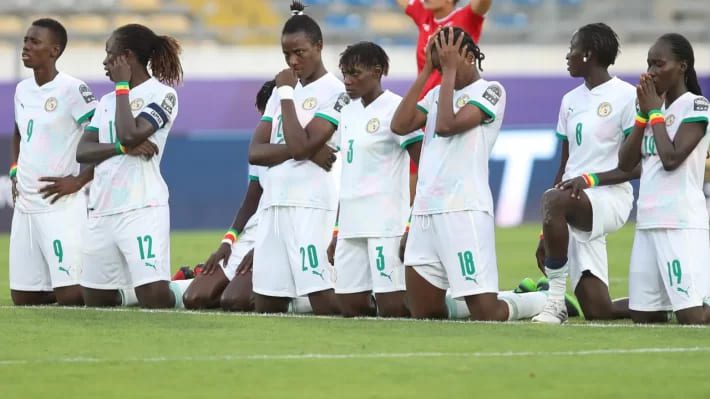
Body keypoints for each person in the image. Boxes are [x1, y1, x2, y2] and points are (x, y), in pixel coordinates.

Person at [391, 27, 547, 321]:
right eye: (439, 63)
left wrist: (447, 73)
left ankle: (543, 299)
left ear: (471, 56)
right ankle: (520, 296)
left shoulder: (491, 91)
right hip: (426, 212)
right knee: (423, 311)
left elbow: (446, 125)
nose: (443, 68)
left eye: (448, 61)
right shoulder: (437, 92)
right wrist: (426, 72)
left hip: (463, 210)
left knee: (486, 314)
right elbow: (399, 125)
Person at [532, 23, 637, 324]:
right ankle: (667, 302)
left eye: (572, 49)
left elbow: (637, 166)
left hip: (609, 196)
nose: (568, 56)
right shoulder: (570, 101)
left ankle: (555, 304)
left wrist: (588, 181)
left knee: (557, 200)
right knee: (598, 310)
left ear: (588, 54)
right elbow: (564, 167)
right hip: (572, 198)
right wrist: (546, 227)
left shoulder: (627, 96)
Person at [76, 24, 184, 309]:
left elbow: (129, 132)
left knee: (155, 299)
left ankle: (190, 284)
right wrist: (121, 149)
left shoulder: (162, 95)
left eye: (109, 55)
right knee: (96, 299)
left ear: (126, 57)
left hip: (142, 207)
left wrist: (123, 86)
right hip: (102, 208)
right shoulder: (106, 102)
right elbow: (83, 151)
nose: (104, 62)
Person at [248, 1, 343, 315]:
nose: (292, 61)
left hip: (310, 204)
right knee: (267, 303)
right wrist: (307, 148)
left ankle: (368, 302)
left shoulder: (336, 92)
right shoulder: (277, 93)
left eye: (299, 52)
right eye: (286, 54)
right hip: (274, 205)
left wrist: (288, 95)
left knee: (322, 297)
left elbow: (301, 148)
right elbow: (255, 152)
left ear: (318, 46)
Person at [322, 42, 423, 317]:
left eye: (355, 73)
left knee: (393, 308)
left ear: (377, 71)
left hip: (385, 224)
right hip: (351, 225)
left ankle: (444, 302)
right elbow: (350, 175)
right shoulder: (347, 112)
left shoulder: (396, 109)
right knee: (350, 306)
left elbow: (425, 166)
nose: (347, 81)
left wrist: (413, 222)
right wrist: (336, 231)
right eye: (344, 74)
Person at [619, 33, 710, 325]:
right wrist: (644, 116)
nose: (652, 71)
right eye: (649, 64)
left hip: (679, 220)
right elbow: (625, 163)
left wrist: (655, 113)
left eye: (659, 64)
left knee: (692, 317)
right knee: (643, 315)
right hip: (648, 220)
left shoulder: (696, 106)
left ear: (682, 66)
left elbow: (671, 159)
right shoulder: (650, 110)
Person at [9, 18, 97, 306]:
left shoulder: (73, 89)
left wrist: (79, 181)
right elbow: (19, 132)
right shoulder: (22, 90)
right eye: (25, 40)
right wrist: (14, 171)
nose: (26, 46)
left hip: (59, 205)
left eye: (35, 42)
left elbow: (102, 135)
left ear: (54, 50)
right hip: (25, 206)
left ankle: (122, 289)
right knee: (24, 298)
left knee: (71, 296)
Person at [395, 0, 492, 203]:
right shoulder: (424, 15)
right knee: (415, 193)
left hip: (454, 108)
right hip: (423, 111)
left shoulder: (466, 17)